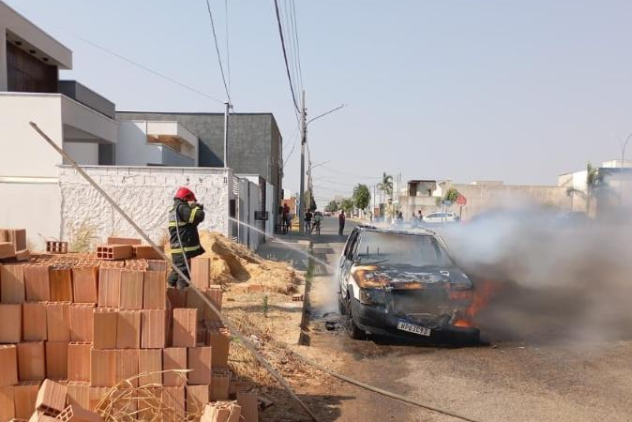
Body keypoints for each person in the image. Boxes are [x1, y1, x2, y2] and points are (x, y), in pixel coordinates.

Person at [168, 187, 205, 289]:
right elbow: (198, 216)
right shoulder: (182, 208)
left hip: (179, 248)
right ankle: (182, 297)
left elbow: (191, 223)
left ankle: (168, 289)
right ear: (185, 198)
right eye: (190, 201)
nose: (191, 203)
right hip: (182, 249)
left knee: (177, 271)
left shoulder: (175, 209)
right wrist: (196, 207)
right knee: (184, 276)